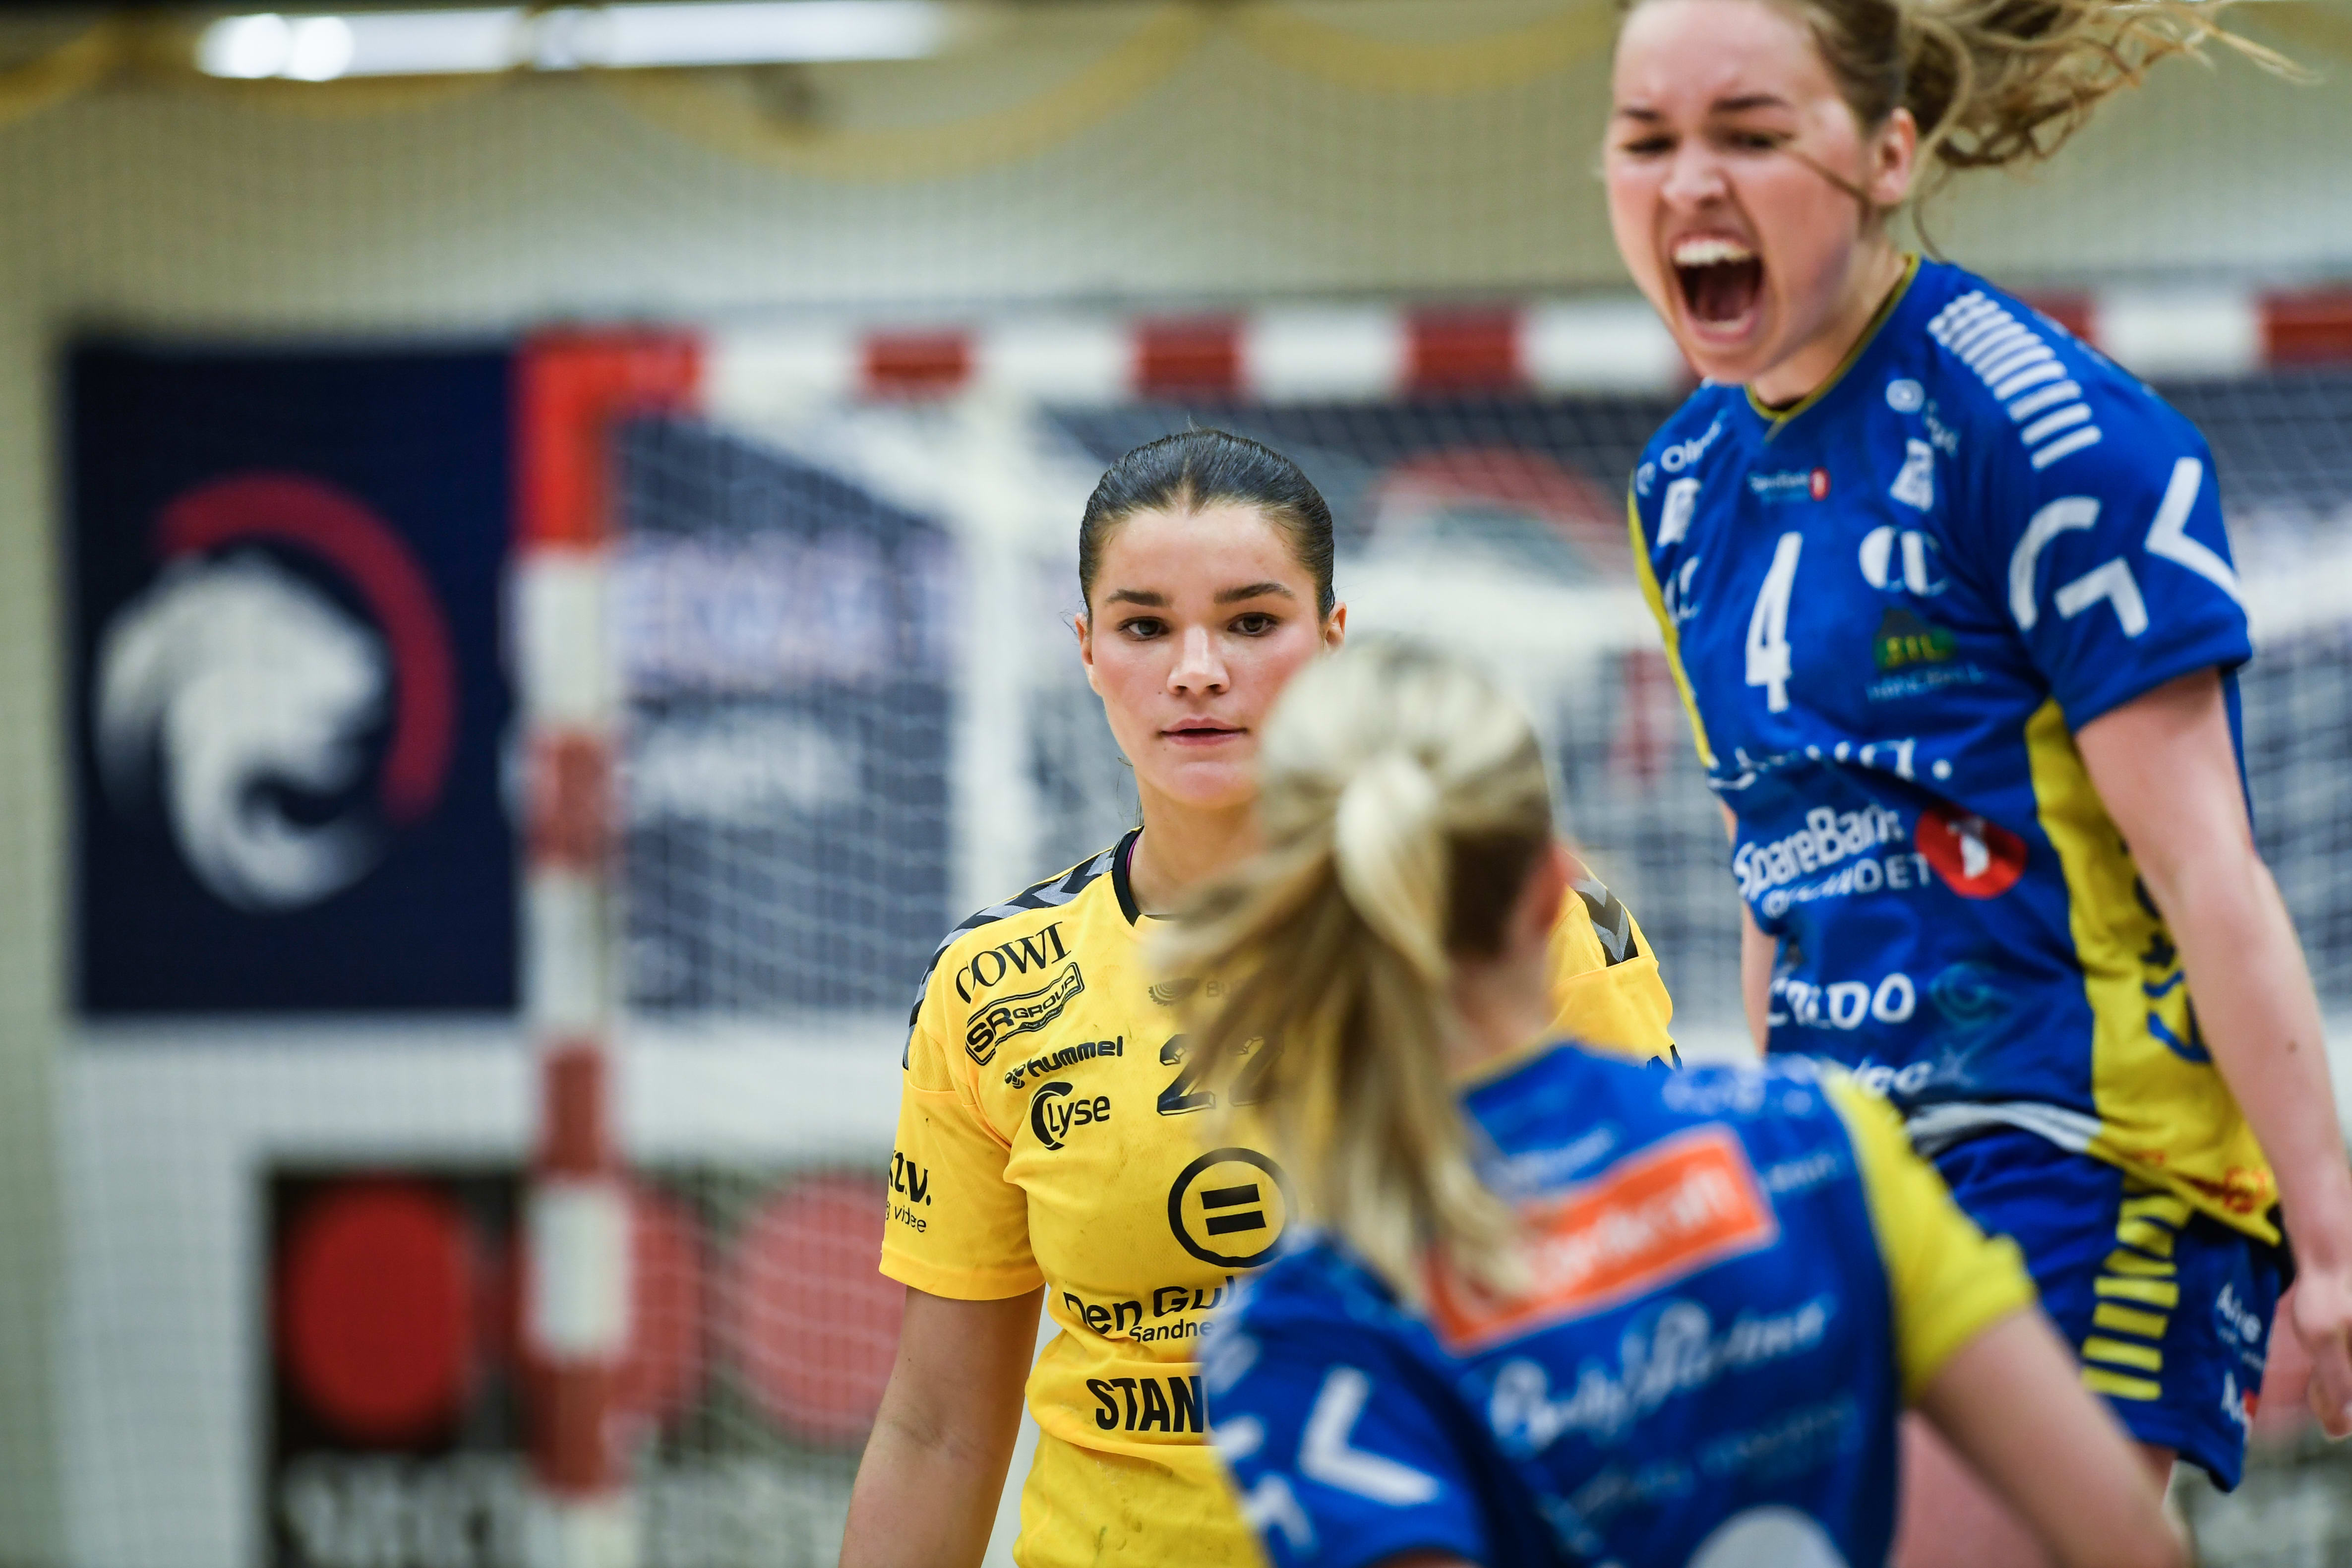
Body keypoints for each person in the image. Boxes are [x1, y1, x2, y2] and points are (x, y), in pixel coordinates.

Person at [1604, 0, 2352, 1555]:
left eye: (1750, 132)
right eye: (1647, 139)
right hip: (1859, 1163)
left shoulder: (2042, 428)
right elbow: (1776, 872)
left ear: (1889, 154)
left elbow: (2209, 866)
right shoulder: (1678, 487)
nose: (1690, 181)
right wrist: (1789, 1166)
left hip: (2084, 1150)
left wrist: (2332, 1236)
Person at [840, 430, 1678, 1568]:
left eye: (1249, 622)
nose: (1196, 670)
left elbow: (1659, 1337)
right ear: (1085, 650)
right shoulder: (990, 984)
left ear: (1331, 638)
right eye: (1144, 627)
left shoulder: (1508, 924)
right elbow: (937, 1429)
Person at [1179, 636, 2184, 1568]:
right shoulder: (1816, 1140)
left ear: (1292, 914)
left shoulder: (1307, 1328)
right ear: (1555, 884)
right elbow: (2132, 1542)